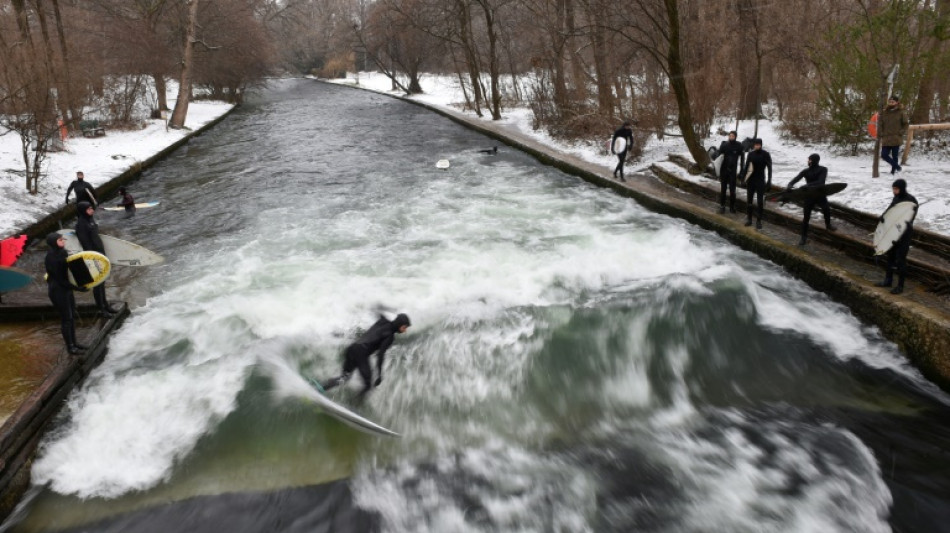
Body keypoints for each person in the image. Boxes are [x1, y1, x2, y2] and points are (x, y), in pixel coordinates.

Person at [321, 313, 412, 400]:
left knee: (344, 377)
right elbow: (380, 355)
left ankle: (321, 387)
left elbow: (378, 312)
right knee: (368, 385)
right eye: (404, 327)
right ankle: (354, 404)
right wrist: (379, 374)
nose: (405, 330)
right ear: (399, 324)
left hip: (353, 348)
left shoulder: (383, 321)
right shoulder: (390, 337)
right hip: (361, 353)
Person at [45, 232, 87, 355]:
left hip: (66, 289)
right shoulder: (51, 258)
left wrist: (84, 282)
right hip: (57, 290)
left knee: (72, 316)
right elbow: (60, 280)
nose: (63, 242)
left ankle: (75, 343)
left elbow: (71, 267)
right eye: (60, 240)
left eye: (62, 239)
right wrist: (77, 288)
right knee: (66, 319)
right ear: (53, 243)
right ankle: (70, 347)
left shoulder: (63, 252)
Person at [75, 201, 119, 316]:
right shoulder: (81, 224)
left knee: (103, 281)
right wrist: (94, 257)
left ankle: (106, 305)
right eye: (89, 209)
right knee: (97, 283)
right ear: (83, 211)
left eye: (91, 208)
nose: (92, 210)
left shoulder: (90, 219)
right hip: (92, 256)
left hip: (100, 253)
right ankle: (101, 309)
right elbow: (85, 243)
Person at [876, 179, 918, 295]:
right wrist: (883, 216)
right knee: (890, 257)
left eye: (896, 189)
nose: (894, 191)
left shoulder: (910, 200)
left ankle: (900, 286)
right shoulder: (896, 198)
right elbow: (891, 209)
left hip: (904, 234)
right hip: (893, 234)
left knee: (900, 260)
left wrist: (908, 222)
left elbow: (912, 214)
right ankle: (888, 281)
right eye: (893, 189)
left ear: (902, 188)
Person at [786, 153, 837, 245]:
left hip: (820, 194)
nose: (808, 161)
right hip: (809, 196)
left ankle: (828, 225)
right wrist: (790, 185)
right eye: (808, 159)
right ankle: (803, 238)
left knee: (826, 209)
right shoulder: (806, 171)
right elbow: (796, 179)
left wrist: (807, 185)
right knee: (806, 218)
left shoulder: (823, 169)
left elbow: (820, 181)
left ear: (814, 160)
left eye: (809, 160)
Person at [739, 138, 772, 229]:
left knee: (760, 202)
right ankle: (749, 219)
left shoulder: (765, 154)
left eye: (758, 144)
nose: (756, 146)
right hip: (751, 180)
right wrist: (743, 179)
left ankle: (758, 221)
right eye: (755, 144)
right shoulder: (750, 154)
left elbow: (769, 168)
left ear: (761, 145)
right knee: (749, 201)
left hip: (760, 180)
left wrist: (769, 181)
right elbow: (746, 167)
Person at [878, 96, 909, 175]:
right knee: (884, 155)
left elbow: (905, 124)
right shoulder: (884, 112)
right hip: (886, 138)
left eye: (893, 101)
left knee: (895, 156)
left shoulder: (901, 112)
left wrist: (901, 132)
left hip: (896, 137)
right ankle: (897, 166)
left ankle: (893, 171)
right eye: (890, 101)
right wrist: (881, 133)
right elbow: (880, 124)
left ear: (897, 102)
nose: (891, 103)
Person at [717, 131, 745, 213]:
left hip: (733, 171)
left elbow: (742, 158)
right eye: (730, 136)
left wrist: (742, 170)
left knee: (732, 191)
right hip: (724, 170)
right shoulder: (724, 145)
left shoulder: (739, 146)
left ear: (735, 137)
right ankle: (722, 206)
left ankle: (732, 207)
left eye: (733, 136)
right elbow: (718, 156)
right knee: (723, 189)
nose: (731, 137)